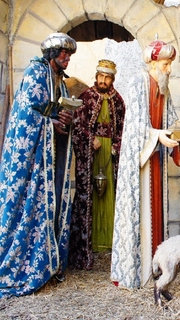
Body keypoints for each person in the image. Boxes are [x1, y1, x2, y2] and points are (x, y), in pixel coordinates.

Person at [0, 33, 76, 297]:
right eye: (63, 53)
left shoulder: (61, 83)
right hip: (31, 158)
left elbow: (54, 113)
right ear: (52, 53)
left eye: (69, 54)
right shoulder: (36, 71)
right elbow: (25, 114)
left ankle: (46, 266)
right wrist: (49, 123)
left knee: (51, 203)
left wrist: (64, 119)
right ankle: (24, 267)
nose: (67, 58)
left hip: (50, 156)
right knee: (26, 204)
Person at [111, 39, 180, 288]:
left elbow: (172, 120)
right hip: (140, 164)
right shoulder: (138, 82)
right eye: (166, 64)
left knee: (157, 213)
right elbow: (133, 127)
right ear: (154, 64)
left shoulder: (164, 89)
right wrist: (157, 135)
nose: (168, 69)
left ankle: (156, 268)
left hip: (155, 162)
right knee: (142, 213)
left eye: (169, 65)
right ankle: (137, 272)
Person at [69, 60, 126, 270]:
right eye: (100, 76)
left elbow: (122, 129)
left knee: (109, 195)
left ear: (112, 78)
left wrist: (116, 146)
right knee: (91, 195)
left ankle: (109, 243)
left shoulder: (118, 101)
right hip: (92, 152)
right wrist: (89, 137)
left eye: (107, 77)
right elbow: (78, 124)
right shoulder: (87, 96)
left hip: (109, 153)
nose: (103, 80)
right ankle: (88, 244)